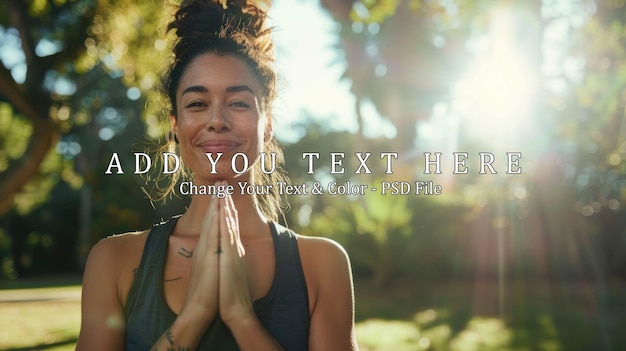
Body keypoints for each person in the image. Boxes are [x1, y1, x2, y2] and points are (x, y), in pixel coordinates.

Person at [76, 0, 359, 350]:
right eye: (197, 103)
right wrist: (196, 313)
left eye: (239, 103)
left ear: (266, 125)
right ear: (176, 126)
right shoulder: (114, 260)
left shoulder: (322, 263)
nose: (217, 120)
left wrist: (240, 316)